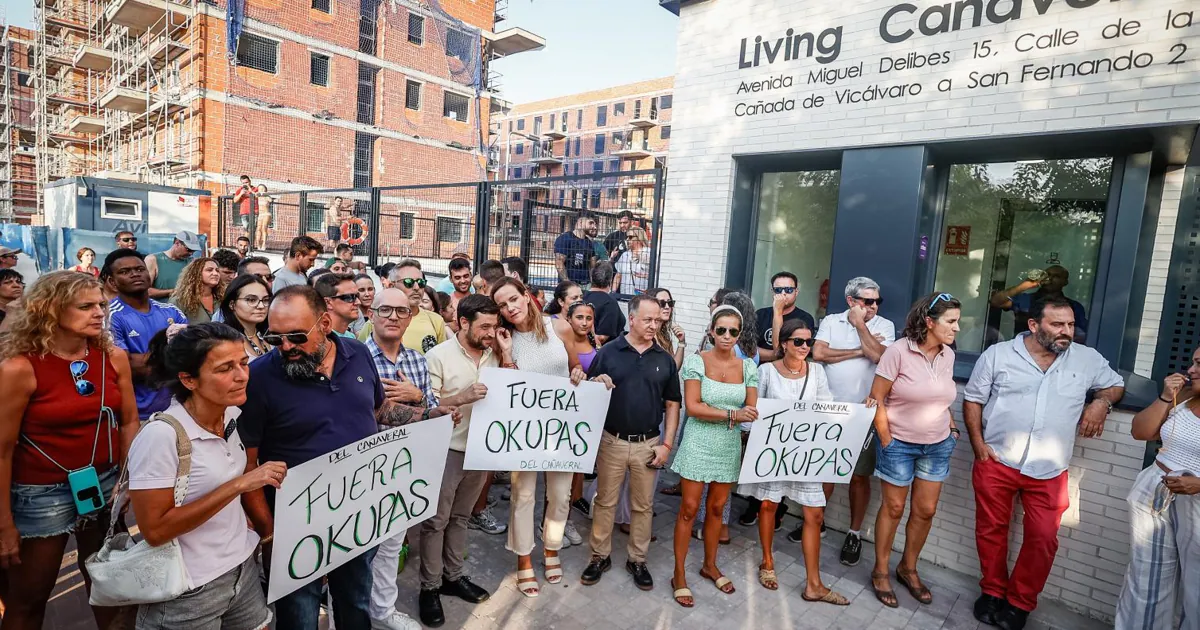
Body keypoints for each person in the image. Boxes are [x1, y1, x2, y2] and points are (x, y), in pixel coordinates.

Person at [238, 286, 443, 630]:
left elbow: (378, 408)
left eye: (297, 337)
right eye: (275, 338)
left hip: (358, 515)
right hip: (296, 526)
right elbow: (247, 466)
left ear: (326, 323)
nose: (286, 347)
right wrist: (271, 535)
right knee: (299, 615)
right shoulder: (259, 377)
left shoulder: (358, 353)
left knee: (354, 602)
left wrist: (427, 415)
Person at [965, 296, 1124, 630]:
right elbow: (973, 400)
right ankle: (992, 591)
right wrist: (979, 446)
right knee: (991, 530)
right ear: (1034, 325)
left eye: (1070, 325)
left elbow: (1115, 385)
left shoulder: (1086, 359)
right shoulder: (999, 355)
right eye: (1057, 325)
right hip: (998, 460)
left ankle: (1019, 603)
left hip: (1049, 469)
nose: (1066, 332)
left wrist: (1100, 403)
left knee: (1042, 539)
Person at [0, 271, 139, 629]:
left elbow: (128, 423)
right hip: (40, 493)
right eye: (86, 306)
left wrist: (127, 482)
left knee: (112, 592)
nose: (99, 313)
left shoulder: (113, 356)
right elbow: (2, 451)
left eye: (101, 305)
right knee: (28, 599)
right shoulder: (19, 367)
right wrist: (4, 525)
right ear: (50, 310)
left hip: (104, 484)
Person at [127, 323, 283, 630]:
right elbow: (155, 531)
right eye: (225, 368)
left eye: (243, 363)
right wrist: (239, 484)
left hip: (242, 570)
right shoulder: (161, 436)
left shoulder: (231, 417)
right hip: (188, 589)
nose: (241, 375)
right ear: (188, 380)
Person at [737, 319, 849, 604]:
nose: (804, 347)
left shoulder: (817, 372)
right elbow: (753, 408)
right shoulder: (766, 372)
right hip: (773, 450)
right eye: (798, 341)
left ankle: (814, 583)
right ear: (784, 343)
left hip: (806, 451)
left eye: (808, 342)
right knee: (768, 505)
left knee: (814, 513)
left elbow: (826, 406)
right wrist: (751, 439)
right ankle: (767, 562)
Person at [577, 294, 680, 591]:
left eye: (657, 320)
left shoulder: (664, 359)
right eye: (647, 319)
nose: (653, 325)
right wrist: (594, 383)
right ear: (631, 319)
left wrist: (667, 445)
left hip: (650, 444)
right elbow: (587, 391)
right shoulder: (608, 352)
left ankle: (637, 559)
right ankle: (599, 556)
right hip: (612, 441)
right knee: (605, 502)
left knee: (643, 506)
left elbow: (673, 404)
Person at [364, 288, 453, 630]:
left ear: (411, 317)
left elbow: (429, 405)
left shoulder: (416, 359)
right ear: (371, 313)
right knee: (354, 551)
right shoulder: (355, 357)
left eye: (402, 312)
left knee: (390, 544)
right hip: (363, 467)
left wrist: (419, 398)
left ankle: (383, 611)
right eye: (385, 310)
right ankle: (350, 612)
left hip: (404, 466)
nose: (393, 317)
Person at [868, 292, 962, 609]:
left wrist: (950, 427)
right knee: (893, 509)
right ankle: (880, 571)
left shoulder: (948, 355)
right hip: (899, 445)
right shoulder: (898, 351)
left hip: (937, 446)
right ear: (929, 322)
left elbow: (942, 396)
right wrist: (886, 439)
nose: (957, 328)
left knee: (925, 511)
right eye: (951, 321)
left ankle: (908, 568)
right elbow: (876, 398)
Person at [491, 277, 578, 597]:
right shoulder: (504, 337)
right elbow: (505, 387)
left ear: (526, 297)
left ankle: (551, 550)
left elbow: (574, 367)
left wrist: (578, 373)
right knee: (523, 496)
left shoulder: (560, 328)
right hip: (523, 434)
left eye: (513, 299)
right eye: (502, 304)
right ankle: (524, 559)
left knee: (560, 495)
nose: (510, 308)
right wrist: (507, 352)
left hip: (559, 431)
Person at [419, 295, 501, 627]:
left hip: (480, 450)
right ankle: (429, 587)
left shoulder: (496, 355)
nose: (491, 333)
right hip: (447, 450)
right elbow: (427, 405)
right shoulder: (437, 356)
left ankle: (453, 577)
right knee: (435, 521)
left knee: (462, 517)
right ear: (463, 323)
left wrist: (506, 354)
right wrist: (461, 398)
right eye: (485, 326)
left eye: (495, 326)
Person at [669, 305, 758, 607]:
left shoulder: (748, 368)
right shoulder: (696, 361)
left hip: (727, 446)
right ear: (711, 331)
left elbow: (752, 410)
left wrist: (732, 415)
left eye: (733, 331)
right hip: (697, 442)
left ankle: (709, 565)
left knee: (717, 510)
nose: (727, 336)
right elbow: (693, 407)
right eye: (721, 329)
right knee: (689, 508)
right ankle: (679, 573)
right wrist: (732, 413)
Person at [812, 277, 895, 563]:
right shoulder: (832, 321)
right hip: (829, 409)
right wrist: (861, 351)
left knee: (859, 476)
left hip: (865, 413)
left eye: (876, 301)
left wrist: (861, 326)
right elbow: (818, 353)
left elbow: (880, 357)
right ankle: (816, 522)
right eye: (867, 301)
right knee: (824, 470)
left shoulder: (884, 326)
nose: (873, 306)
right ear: (851, 301)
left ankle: (854, 533)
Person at [1117, 351, 1200, 630]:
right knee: (1146, 578)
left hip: (1197, 503)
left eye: (1199, 363)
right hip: (1154, 492)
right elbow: (1141, 432)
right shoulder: (1185, 395)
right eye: (1193, 361)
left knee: (1197, 589)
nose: (1191, 369)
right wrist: (1166, 396)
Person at [105, 249, 189, 420]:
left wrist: (145, 359)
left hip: (179, 410)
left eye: (139, 269)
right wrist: (172, 356)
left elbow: (191, 356)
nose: (135, 274)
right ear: (112, 282)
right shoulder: (110, 316)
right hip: (138, 415)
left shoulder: (171, 311)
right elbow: (126, 367)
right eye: (125, 271)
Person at [990, 265, 1088, 342]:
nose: (1050, 279)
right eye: (1048, 274)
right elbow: (996, 302)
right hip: (1022, 351)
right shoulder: (1025, 299)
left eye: (1056, 276)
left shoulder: (1073, 307)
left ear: (1065, 282)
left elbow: (1080, 335)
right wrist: (1024, 286)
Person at [375, 260, 447, 354]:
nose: (416, 287)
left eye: (421, 282)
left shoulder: (436, 321)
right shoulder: (377, 320)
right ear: (392, 285)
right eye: (409, 282)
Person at [758, 271, 815, 362]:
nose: (783, 293)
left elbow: (797, 350)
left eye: (789, 290)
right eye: (778, 290)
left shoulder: (804, 318)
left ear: (796, 292)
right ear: (773, 292)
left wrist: (777, 312)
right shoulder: (760, 314)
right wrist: (776, 355)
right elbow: (749, 349)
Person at [218, 274, 272, 361]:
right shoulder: (222, 340)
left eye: (266, 300)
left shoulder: (271, 333)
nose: (261, 306)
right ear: (232, 304)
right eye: (251, 300)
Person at [145, 230, 201, 300]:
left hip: (185, 309)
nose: (191, 253)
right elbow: (145, 291)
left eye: (194, 251)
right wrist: (173, 292)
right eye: (189, 249)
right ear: (177, 243)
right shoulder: (153, 260)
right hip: (161, 309)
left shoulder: (192, 262)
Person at [169, 257, 225, 324]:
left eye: (217, 270)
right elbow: (170, 327)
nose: (215, 273)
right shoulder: (180, 300)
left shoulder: (223, 298)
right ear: (196, 273)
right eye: (209, 270)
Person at [583, 262, 625, 345]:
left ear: (591, 278)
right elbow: (602, 337)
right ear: (610, 279)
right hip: (605, 351)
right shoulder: (609, 302)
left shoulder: (582, 296)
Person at [314, 272, 362, 338]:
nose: (358, 302)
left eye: (357, 296)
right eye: (349, 297)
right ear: (328, 302)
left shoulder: (351, 337)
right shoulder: (318, 338)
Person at [554, 215, 597, 287]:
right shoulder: (565, 238)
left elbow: (592, 266)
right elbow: (559, 263)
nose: (594, 227)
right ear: (580, 222)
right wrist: (567, 284)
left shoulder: (589, 243)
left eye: (595, 224)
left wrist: (593, 286)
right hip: (568, 285)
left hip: (586, 285)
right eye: (591, 223)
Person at [651, 287, 687, 369]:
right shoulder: (647, 335)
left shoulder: (663, 333)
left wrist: (681, 342)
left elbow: (674, 368)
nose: (667, 307)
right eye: (662, 303)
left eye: (670, 303)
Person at [614, 226, 650, 295]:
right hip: (625, 295)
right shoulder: (625, 255)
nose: (627, 239)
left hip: (642, 297)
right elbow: (618, 275)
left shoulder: (649, 253)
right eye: (627, 237)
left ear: (639, 238)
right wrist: (613, 292)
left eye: (630, 237)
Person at [253, 184, 272, 250]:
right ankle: (258, 244)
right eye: (259, 189)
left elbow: (270, 200)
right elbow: (254, 194)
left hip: (266, 214)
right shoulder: (258, 196)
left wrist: (265, 194)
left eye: (262, 188)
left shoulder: (266, 196)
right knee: (258, 229)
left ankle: (264, 244)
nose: (260, 190)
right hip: (260, 215)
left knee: (264, 228)